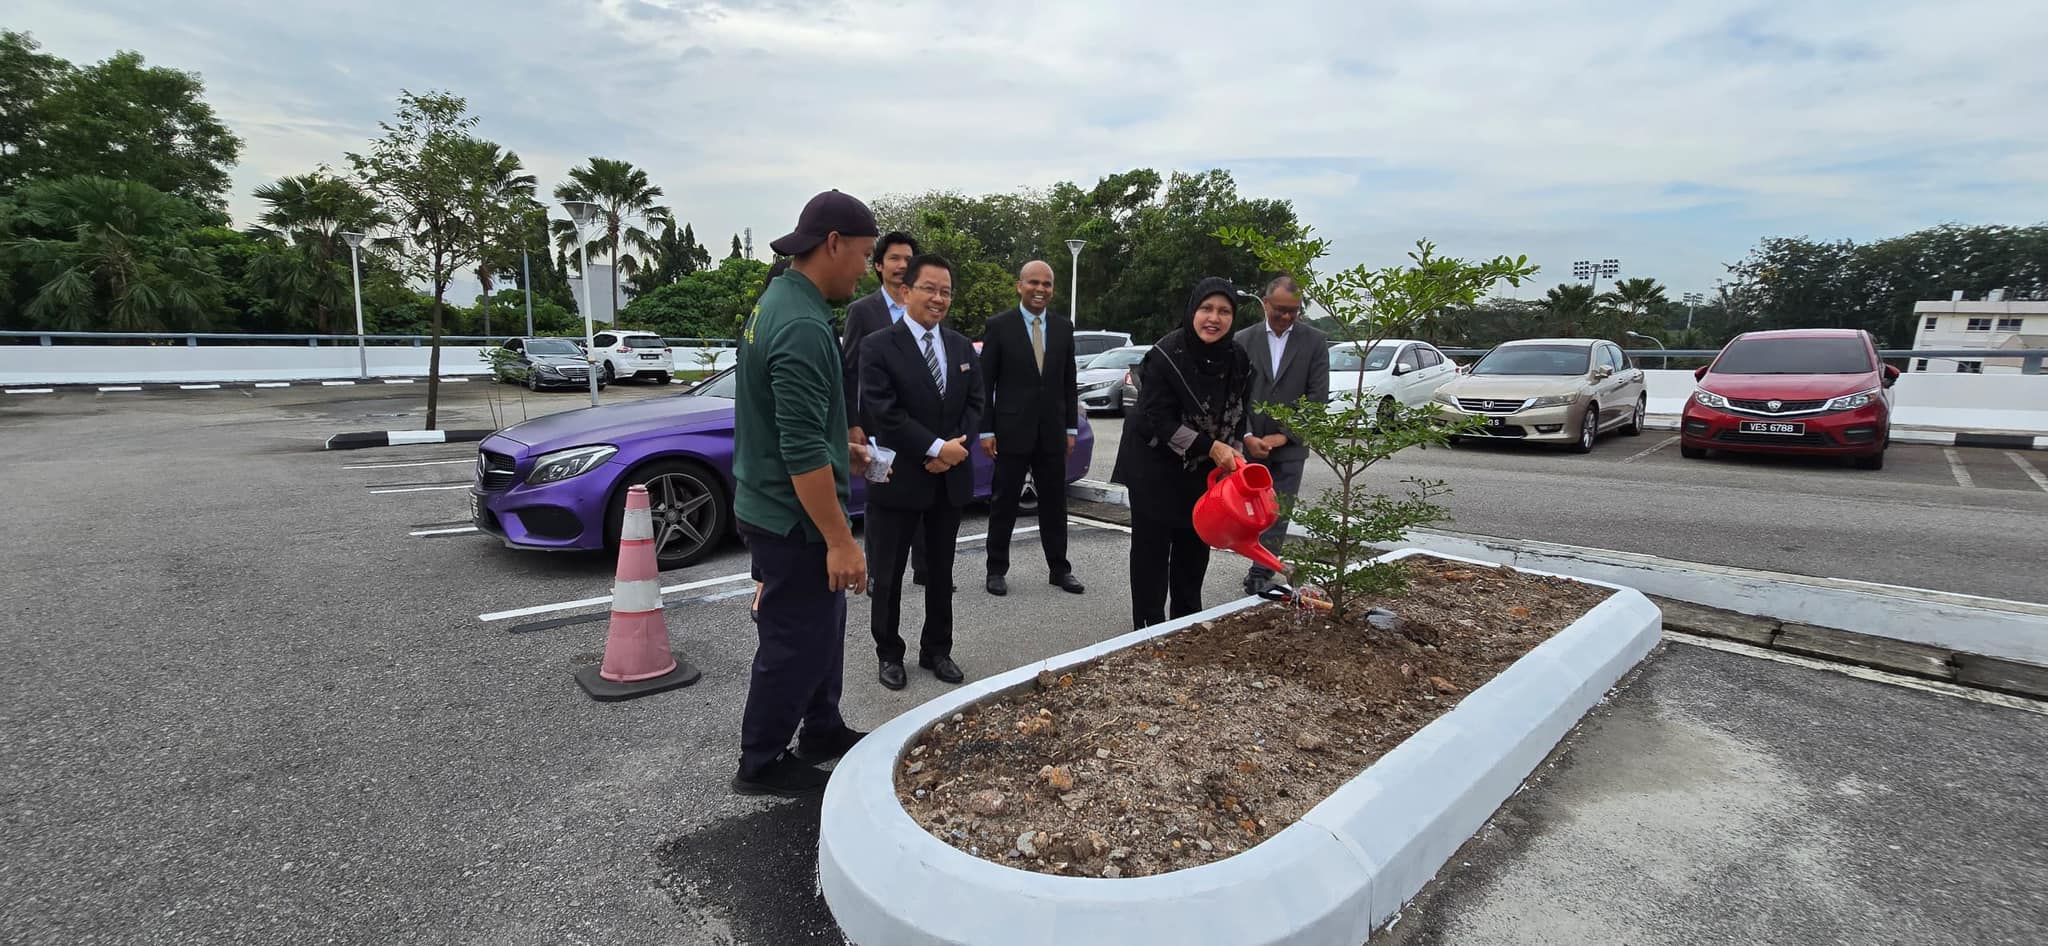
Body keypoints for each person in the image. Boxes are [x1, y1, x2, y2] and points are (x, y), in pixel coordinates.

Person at [729, 189, 880, 797]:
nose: (867, 269)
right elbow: (797, 451)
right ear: (834, 243)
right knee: (793, 639)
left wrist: (843, 450)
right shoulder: (800, 326)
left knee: (822, 626)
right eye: (866, 255)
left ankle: (821, 727)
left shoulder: (781, 302)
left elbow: (791, 422)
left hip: (780, 505)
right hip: (791, 519)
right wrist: (841, 541)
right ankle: (760, 760)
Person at [857, 253, 982, 690]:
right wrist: (934, 447)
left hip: (947, 480)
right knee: (888, 575)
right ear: (906, 291)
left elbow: (974, 405)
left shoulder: (962, 347)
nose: (939, 298)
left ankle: (937, 650)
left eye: (946, 291)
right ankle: (889, 653)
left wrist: (952, 452)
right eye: (930, 288)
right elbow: (884, 412)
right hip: (898, 479)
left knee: (941, 573)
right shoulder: (877, 346)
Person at [1111, 277, 1254, 629]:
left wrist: (1234, 450)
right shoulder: (1165, 355)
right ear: (1193, 310)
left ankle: (1186, 624)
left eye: (1224, 311)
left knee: (1194, 547)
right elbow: (1156, 418)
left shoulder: (1236, 357)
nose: (1214, 318)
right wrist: (1213, 446)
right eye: (1206, 308)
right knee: (1152, 554)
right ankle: (1147, 630)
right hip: (1153, 466)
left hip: (1200, 472)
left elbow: (1238, 410)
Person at [840, 232, 943, 588]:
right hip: (879, 426)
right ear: (879, 265)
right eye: (894, 259)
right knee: (881, 499)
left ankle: (925, 568)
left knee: (924, 493)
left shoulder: (928, 306)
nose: (902, 266)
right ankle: (879, 572)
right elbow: (849, 370)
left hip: (921, 427)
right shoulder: (862, 311)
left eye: (908, 259)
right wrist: (853, 423)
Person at [978, 260, 1083, 597]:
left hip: (1052, 430)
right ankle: (995, 569)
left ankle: (1059, 569)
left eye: (1047, 284)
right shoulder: (999, 326)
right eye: (1034, 283)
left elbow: (1069, 382)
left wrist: (1070, 428)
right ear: (1019, 286)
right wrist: (985, 430)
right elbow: (985, 382)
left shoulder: (1064, 327)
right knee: (1004, 501)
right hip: (1011, 430)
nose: (1040, 290)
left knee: (1054, 502)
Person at [1233, 275, 1329, 596]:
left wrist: (1285, 436)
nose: (1286, 317)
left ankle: (1261, 570)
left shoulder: (1314, 341)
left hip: (1290, 448)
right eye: (1280, 310)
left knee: (1278, 510)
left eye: (1294, 311)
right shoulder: (1242, 340)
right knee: (1247, 511)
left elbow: (1317, 398)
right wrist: (1245, 434)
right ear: (1264, 303)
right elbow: (1233, 394)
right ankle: (1254, 559)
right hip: (1248, 444)